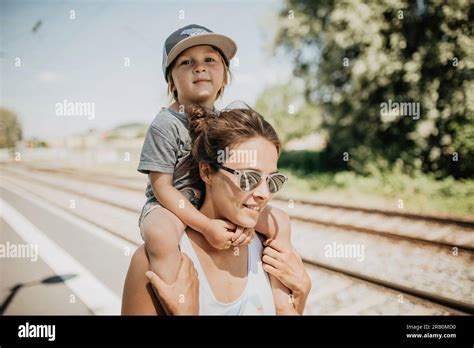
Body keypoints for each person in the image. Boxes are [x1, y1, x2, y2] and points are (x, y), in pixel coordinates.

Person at [136, 24, 297, 311]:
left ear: (224, 75)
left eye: (210, 60)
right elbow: (161, 188)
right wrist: (206, 225)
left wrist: (242, 221)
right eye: (187, 62)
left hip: (214, 199)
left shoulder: (226, 121)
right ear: (171, 79)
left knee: (280, 221)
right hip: (172, 205)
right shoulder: (165, 125)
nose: (200, 68)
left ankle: (283, 297)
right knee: (160, 234)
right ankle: (175, 298)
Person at [122, 105, 311, 315]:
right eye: (249, 178)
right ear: (207, 171)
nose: (264, 194)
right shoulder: (150, 263)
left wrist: (300, 300)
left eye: (272, 180)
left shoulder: (272, 251)